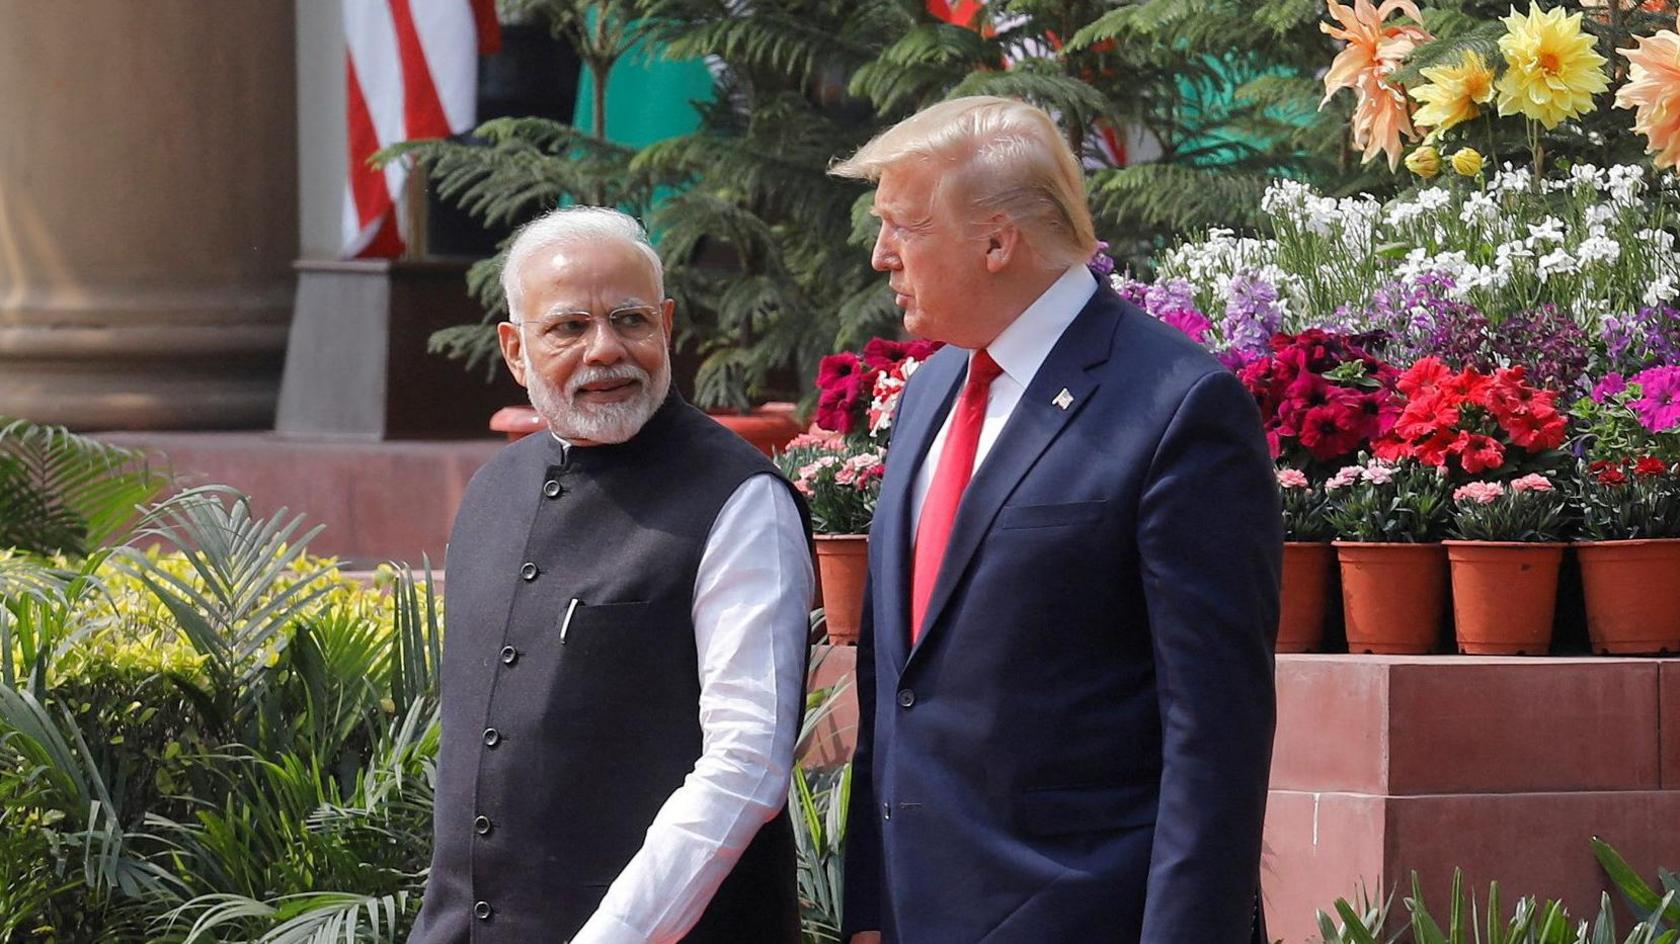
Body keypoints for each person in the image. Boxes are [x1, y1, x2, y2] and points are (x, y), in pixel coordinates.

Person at [830, 96, 1281, 943]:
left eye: (901, 225)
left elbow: (1215, 732)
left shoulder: (1177, 405)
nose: (881, 254)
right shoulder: (931, 389)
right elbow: (900, 688)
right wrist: (870, 909)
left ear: (998, 242)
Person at [407, 206, 812, 944]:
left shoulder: (740, 500)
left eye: (630, 320)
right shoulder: (492, 492)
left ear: (666, 324)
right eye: (568, 327)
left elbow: (747, 763)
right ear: (515, 349)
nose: (606, 350)